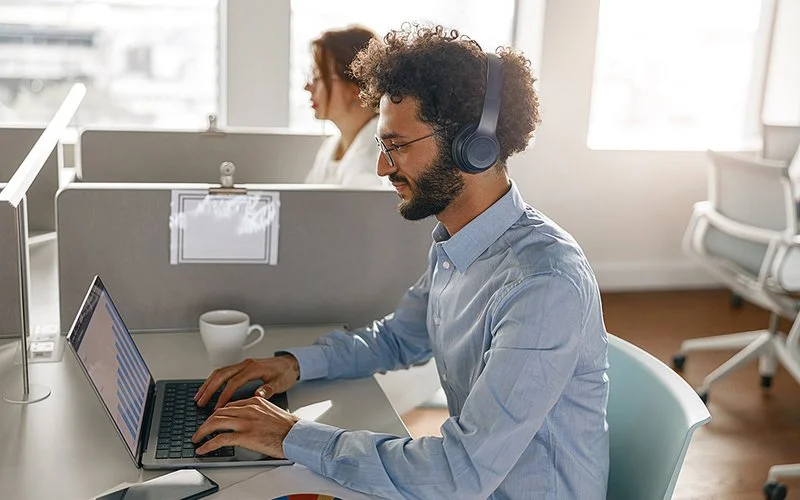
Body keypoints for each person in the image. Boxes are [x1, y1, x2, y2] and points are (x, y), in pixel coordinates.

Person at [193, 24, 609, 499]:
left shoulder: (542, 284)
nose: (382, 167)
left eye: (397, 146)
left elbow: (456, 475)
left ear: (473, 147)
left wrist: (290, 434)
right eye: (381, 146)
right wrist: (293, 365)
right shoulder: (457, 243)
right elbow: (398, 338)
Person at [302, 25, 388, 188]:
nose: (307, 87)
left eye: (318, 76)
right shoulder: (330, 148)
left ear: (356, 88)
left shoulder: (376, 160)